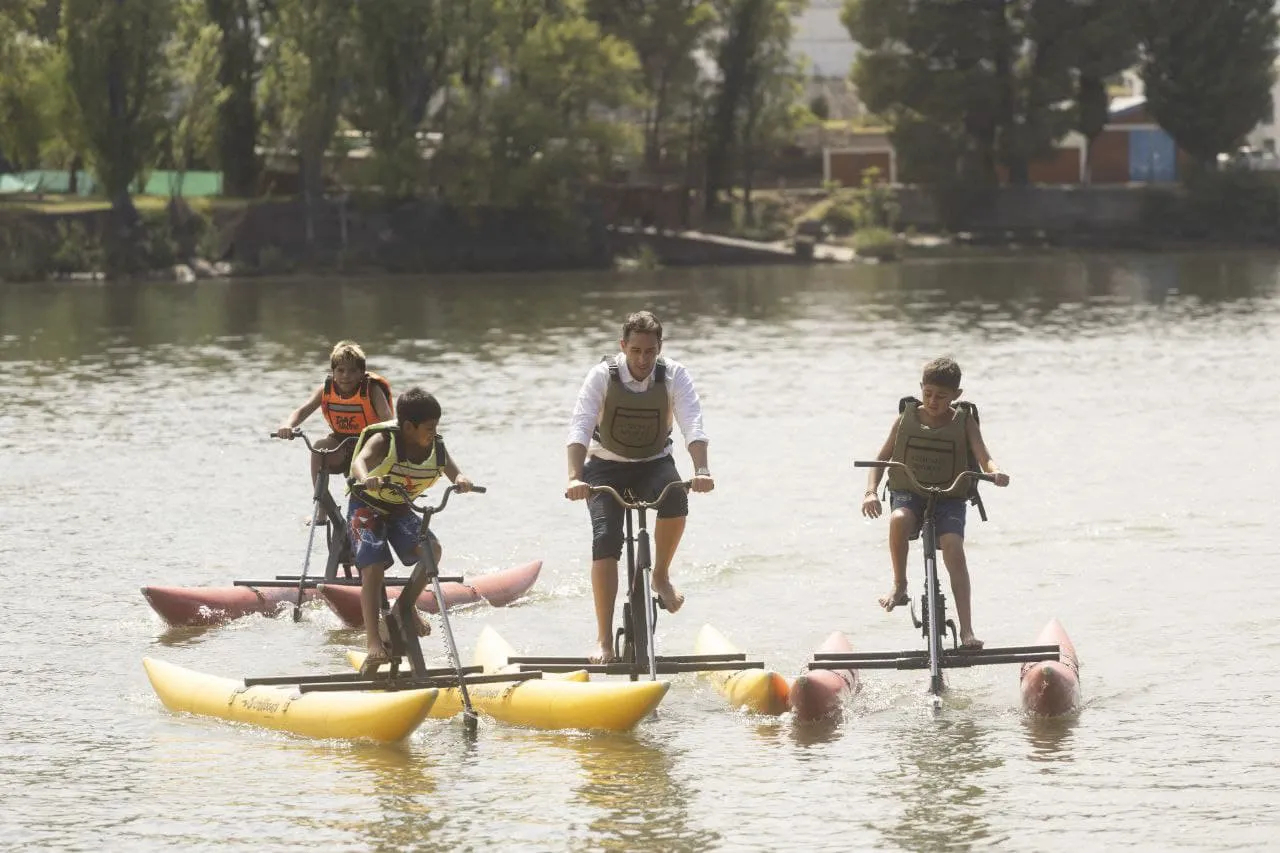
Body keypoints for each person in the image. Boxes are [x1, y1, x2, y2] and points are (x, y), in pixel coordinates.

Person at [565, 311, 715, 664]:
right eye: (635, 351)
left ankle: (660, 575)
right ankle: (603, 640)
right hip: (604, 468)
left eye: (650, 352)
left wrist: (702, 469)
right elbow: (580, 425)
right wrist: (574, 477)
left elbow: (692, 422)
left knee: (676, 494)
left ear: (659, 348)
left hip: (654, 464)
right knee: (605, 540)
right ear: (623, 347)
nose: (643, 360)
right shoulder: (602, 376)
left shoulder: (674, 375)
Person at [859, 357, 1010, 650]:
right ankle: (900, 585)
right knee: (899, 519)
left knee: (953, 546)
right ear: (920, 389)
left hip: (949, 497)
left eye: (941, 396)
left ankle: (967, 630)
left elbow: (983, 456)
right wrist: (871, 491)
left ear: (957, 395)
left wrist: (994, 472)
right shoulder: (906, 417)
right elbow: (881, 457)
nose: (933, 401)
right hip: (910, 492)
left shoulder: (964, 421)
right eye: (928, 394)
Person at [346, 388, 473, 670]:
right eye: (429, 428)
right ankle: (373, 643)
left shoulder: (435, 446)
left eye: (436, 426)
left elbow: (453, 470)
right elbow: (360, 461)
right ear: (407, 427)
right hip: (367, 507)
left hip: (400, 509)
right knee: (373, 567)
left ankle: (405, 607)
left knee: (432, 550)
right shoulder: (384, 440)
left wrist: (462, 479)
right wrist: (367, 478)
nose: (434, 432)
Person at [274, 340, 394, 523]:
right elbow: (302, 411)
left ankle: (372, 514)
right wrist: (288, 425)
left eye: (353, 370)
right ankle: (322, 511)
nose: (346, 376)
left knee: (368, 501)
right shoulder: (326, 390)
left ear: (362, 372)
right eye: (341, 370)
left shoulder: (372, 390)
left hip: (371, 446)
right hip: (342, 443)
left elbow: (388, 420)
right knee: (319, 449)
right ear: (333, 372)